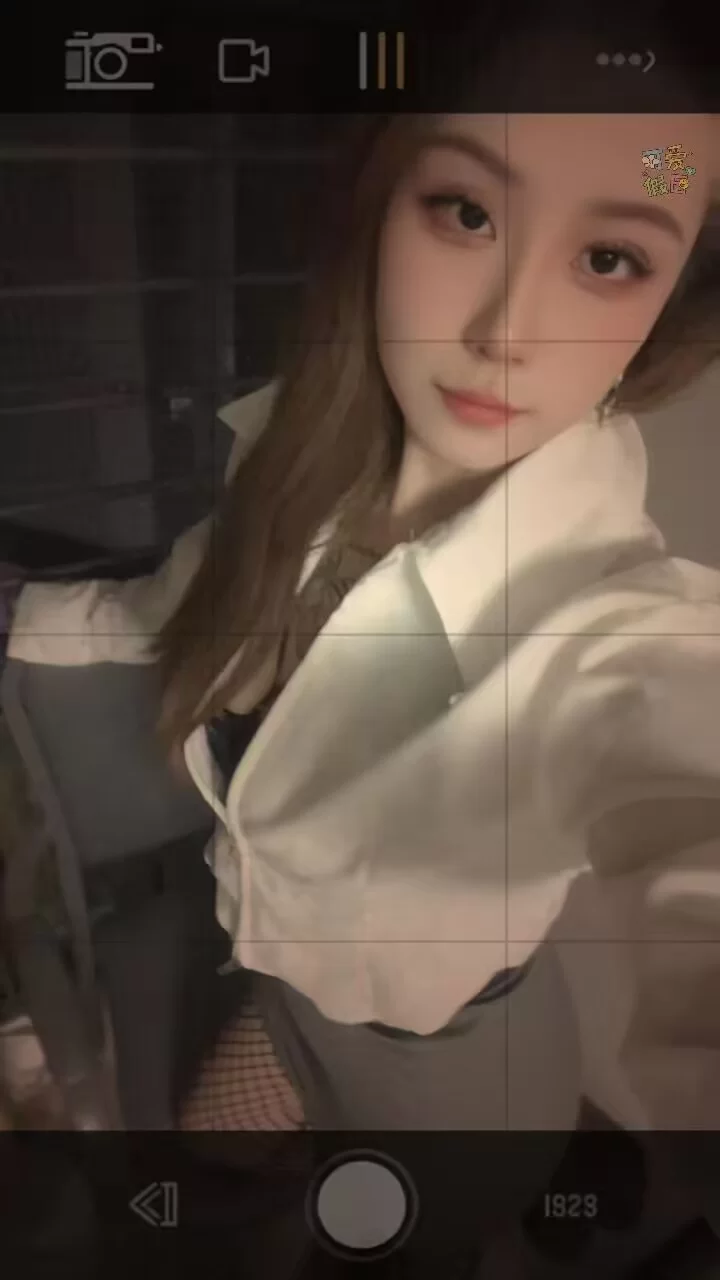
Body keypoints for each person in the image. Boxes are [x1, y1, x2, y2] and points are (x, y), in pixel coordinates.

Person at [5, 42, 720, 1145]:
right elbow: (180, 607)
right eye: (468, 214)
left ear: (666, 308)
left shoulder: (613, 625)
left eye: (611, 257)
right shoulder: (298, 460)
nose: (504, 333)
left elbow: (678, 750)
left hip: (435, 1069)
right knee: (223, 1159)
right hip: (284, 980)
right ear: (382, 203)